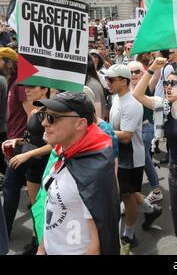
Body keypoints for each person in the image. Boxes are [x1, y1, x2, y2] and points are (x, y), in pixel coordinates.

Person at [33, 92, 120, 255]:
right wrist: (41, 248)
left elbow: (98, 241)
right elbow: (51, 211)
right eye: (43, 115)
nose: (44, 123)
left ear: (80, 124)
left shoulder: (94, 173)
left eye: (52, 118)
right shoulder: (64, 154)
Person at [133, 60, 177, 253]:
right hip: (174, 173)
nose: (167, 86)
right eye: (166, 83)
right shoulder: (164, 106)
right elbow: (137, 94)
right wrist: (151, 68)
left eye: (172, 83)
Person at [105, 64, 162, 253]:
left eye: (111, 80)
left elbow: (127, 135)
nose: (108, 83)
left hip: (130, 157)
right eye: (107, 79)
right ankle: (151, 210)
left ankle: (128, 234)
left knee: (127, 196)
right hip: (118, 155)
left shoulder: (132, 104)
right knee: (128, 191)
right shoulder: (115, 98)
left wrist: (102, 131)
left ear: (124, 81)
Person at [1, 85, 51, 254]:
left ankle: (40, 246)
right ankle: (34, 242)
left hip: (46, 165)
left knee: (46, 208)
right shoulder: (34, 112)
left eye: (31, 87)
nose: (27, 90)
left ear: (44, 89)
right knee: (36, 207)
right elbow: (30, 138)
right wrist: (16, 141)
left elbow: (55, 145)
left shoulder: (52, 114)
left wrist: (27, 155)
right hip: (33, 167)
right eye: (26, 87)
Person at [127, 61, 162, 203]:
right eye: (131, 72)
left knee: (143, 158)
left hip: (146, 129)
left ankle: (146, 191)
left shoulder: (148, 85)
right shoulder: (125, 87)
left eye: (137, 71)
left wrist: (155, 62)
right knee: (144, 158)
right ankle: (140, 191)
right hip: (131, 130)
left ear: (143, 73)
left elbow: (156, 72)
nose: (134, 75)